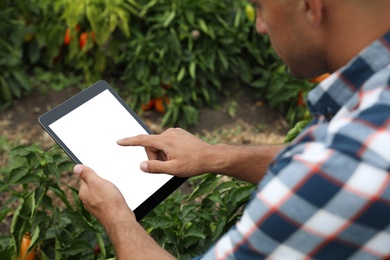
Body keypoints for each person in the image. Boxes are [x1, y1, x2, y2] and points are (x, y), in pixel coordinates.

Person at [73, 0, 390, 259]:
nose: (260, 26)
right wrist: (214, 156)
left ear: (310, 6)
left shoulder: (345, 167)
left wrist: (116, 215)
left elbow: (333, 166)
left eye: (261, 7)